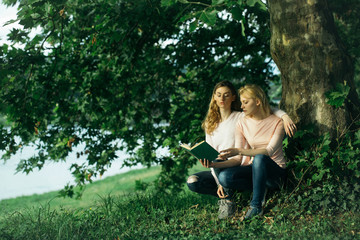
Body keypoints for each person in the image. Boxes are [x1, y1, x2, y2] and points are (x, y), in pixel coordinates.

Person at [186, 81, 296, 219]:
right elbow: (230, 157)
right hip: (247, 168)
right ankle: (230, 198)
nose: (222, 99)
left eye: (226, 95)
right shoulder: (241, 122)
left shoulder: (256, 118)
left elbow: (268, 150)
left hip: (274, 170)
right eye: (218, 95)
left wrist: (284, 116)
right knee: (217, 177)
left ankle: (255, 206)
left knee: (260, 158)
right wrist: (214, 165)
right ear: (214, 97)